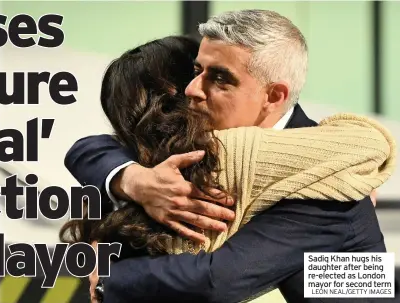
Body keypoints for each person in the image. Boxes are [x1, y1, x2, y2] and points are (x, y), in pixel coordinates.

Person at [64, 10, 398, 303]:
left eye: (220, 79)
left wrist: (106, 279)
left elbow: (217, 279)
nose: (193, 90)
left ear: (274, 96)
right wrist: (135, 180)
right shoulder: (210, 146)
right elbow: (92, 147)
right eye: (197, 71)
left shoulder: (327, 180)